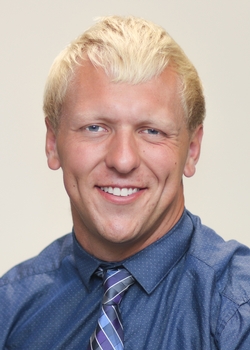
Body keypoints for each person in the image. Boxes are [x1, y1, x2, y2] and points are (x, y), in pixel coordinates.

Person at [1, 15, 250, 350]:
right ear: (52, 143)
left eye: (152, 131)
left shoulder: (237, 309)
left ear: (192, 150)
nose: (123, 160)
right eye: (95, 127)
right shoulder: (11, 309)